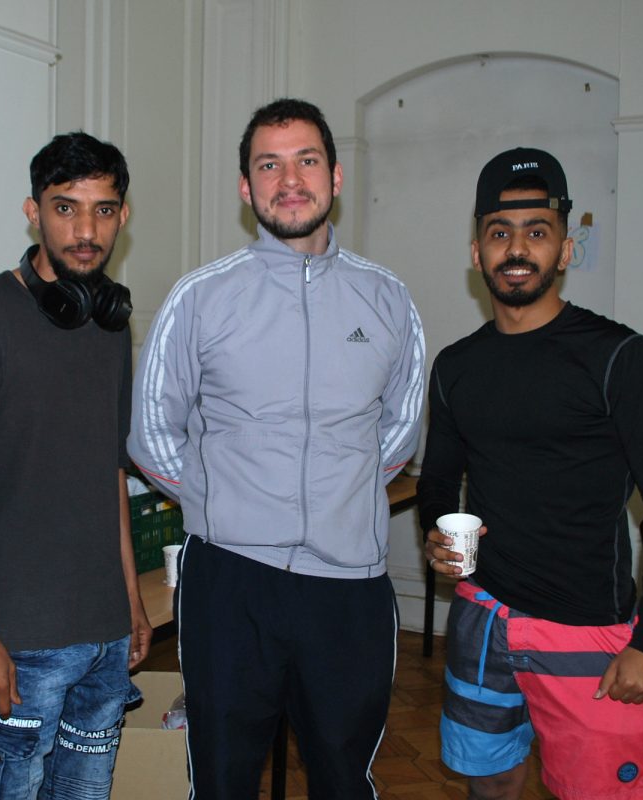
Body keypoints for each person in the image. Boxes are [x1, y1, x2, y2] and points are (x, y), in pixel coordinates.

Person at [129, 98, 425, 798]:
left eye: (306, 160)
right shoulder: (199, 298)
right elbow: (151, 433)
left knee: (342, 779)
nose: (289, 180)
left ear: (336, 176)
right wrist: (221, 502)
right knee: (225, 779)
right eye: (269, 164)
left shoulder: (387, 300)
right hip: (231, 582)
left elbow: (401, 433)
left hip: (349, 588)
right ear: (246, 187)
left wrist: (336, 497)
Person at [417, 147, 643, 800]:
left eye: (536, 231)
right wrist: (438, 534)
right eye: (499, 232)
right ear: (477, 252)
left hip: (587, 630)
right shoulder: (457, 366)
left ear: (565, 250)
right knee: (489, 782)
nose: (517, 248)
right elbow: (438, 479)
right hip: (484, 618)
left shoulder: (620, 359)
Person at [0, 131, 151, 800]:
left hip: (104, 636)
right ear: (32, 211)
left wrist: (130, 596)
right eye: (65, 207)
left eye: (103, 210)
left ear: (123, 216)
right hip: (19, 645)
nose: (86, 230)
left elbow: (109, 467)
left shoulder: (111, 322)